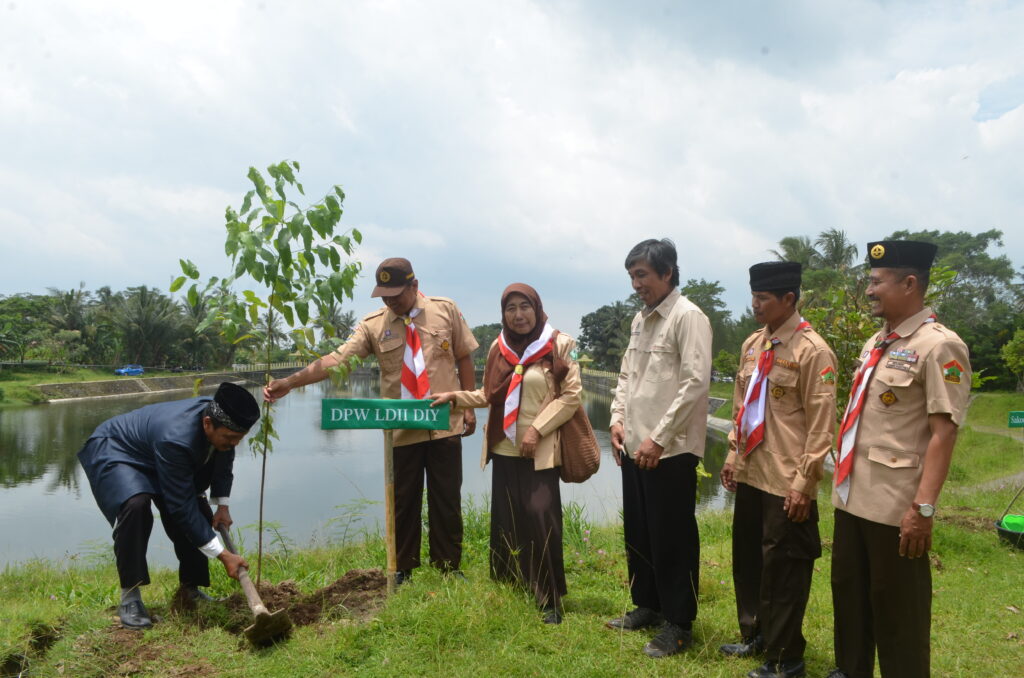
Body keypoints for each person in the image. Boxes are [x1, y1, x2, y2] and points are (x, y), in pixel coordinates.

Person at [264, 257, 478, 583]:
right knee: (403, 500)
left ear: (414, 285)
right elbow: (337, 360)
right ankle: (403, 568)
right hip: (401, 428)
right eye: (384, 296)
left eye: (397, 294)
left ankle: (448, 567)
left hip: (443, 423)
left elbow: (463, 356)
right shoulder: (374, 325)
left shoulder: (445, 310)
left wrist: (469, 405)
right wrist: (290, 383)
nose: (390, 301)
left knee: (446, 499)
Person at [827, 240, 971, 678]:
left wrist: (922, 509)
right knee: (850, 607)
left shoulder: (940, 346)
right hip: (852, 498)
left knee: (898, 621)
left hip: (895, 509)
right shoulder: (878, 341)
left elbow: (943, 432)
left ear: (910, 283)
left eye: (876, 282)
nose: (869, 290)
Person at [430, 283, 581, 624]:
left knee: (542, 517)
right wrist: (455, 397)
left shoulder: (558, 345)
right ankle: (511, 584)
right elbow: (489, 394)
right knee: (508, 518)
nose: (518, 315)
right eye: (511, 308)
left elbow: (570, 397)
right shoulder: (499, 347)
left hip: (539, 448)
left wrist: (536, 429)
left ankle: (549, 598)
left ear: (537, 308)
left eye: (524, 306)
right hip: (504, 447)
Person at [719, 262, 837, 678]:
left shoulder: (813, 351)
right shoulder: (754, 345)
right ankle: (756, 634)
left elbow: (822, 426)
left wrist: (804, 484)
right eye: (753, 297)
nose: (755, 305)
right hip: (753, 471)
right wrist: (733, 455)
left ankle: (786, 658)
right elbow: (741, 408)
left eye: (763, 299)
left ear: (789, 299)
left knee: (785, 568)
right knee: (750, 559)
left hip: (787, 479)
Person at [606, 238, 713, 658]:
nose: (636, 284)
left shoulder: (688, 318)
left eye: (642, 275)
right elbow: (626, 376)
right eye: (632, 276)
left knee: (673, 537)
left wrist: (659, 437)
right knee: (640, 532)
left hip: (669, 450)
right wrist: (616, 419)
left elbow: (695, 384)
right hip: (635, 445)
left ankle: (679, 623)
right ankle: (646, 605)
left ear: (667, 273)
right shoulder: (640, 320)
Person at [77, 382, 258, 629]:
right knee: (136, 506)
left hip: (157, 451)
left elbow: (223, 459)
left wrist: (222, 505)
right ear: (207, 424)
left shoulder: (222, 419)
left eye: (239, 439)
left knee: (198, 511)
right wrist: (223, 555)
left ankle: (190, 591)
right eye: (230, 438)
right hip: (118, 449)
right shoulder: (177, 438)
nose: (233, 443)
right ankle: (130, 597)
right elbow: (180, 506)